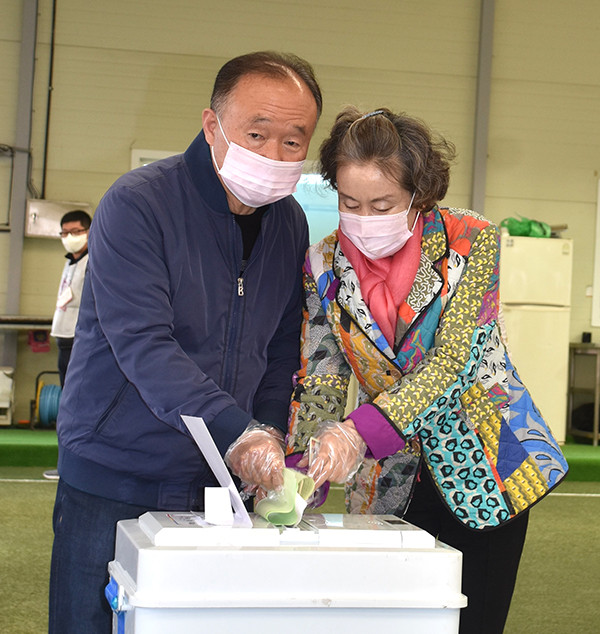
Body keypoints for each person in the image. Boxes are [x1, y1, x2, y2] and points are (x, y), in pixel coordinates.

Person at [49, 51, 322, 634]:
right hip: (115, 470)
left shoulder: (289, 222)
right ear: (211, 125)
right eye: (256, 133)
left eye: (294, 141)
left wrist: (268, 429)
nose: (273, 155)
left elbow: (279, 345)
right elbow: (143, 343)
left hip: (218, 485)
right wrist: (237, 432)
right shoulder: (139, 202)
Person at [285, 106, 569, 634]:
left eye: (383, 204)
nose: (365, 218)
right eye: (351, 203)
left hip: (486, 462)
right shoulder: (322, 261)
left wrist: (358, 431)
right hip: (387, 479)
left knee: (472, 620)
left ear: (420, 194)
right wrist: (304, 465)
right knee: (390, 620)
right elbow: (321, 374)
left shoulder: (471, 239)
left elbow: (456, 361)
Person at [43, 209, 92, 480]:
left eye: (76, 232)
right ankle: (66, 464)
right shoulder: (71, 261)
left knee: (77, 406)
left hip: (79, 341)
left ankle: (73, 468)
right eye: (65, 233)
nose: (69, 237)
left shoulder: (93, 260)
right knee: (67, 404)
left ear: (88, 231)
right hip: (64, 338)